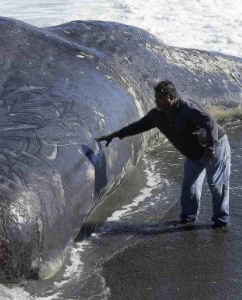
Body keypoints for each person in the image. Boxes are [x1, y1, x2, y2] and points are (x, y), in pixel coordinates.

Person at [95, 80, 231, 228]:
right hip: (193, 154)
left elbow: (210, 121)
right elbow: (138, 126)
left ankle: (221, 220)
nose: (156, 101)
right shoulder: (157, 115)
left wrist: (211, 147)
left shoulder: (188, 108)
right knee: (189, 186)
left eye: (160, 97)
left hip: (213, 147)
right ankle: (188, 218)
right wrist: (115, 134)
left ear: (172, 97)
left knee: (216, 184)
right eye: (155, 97)